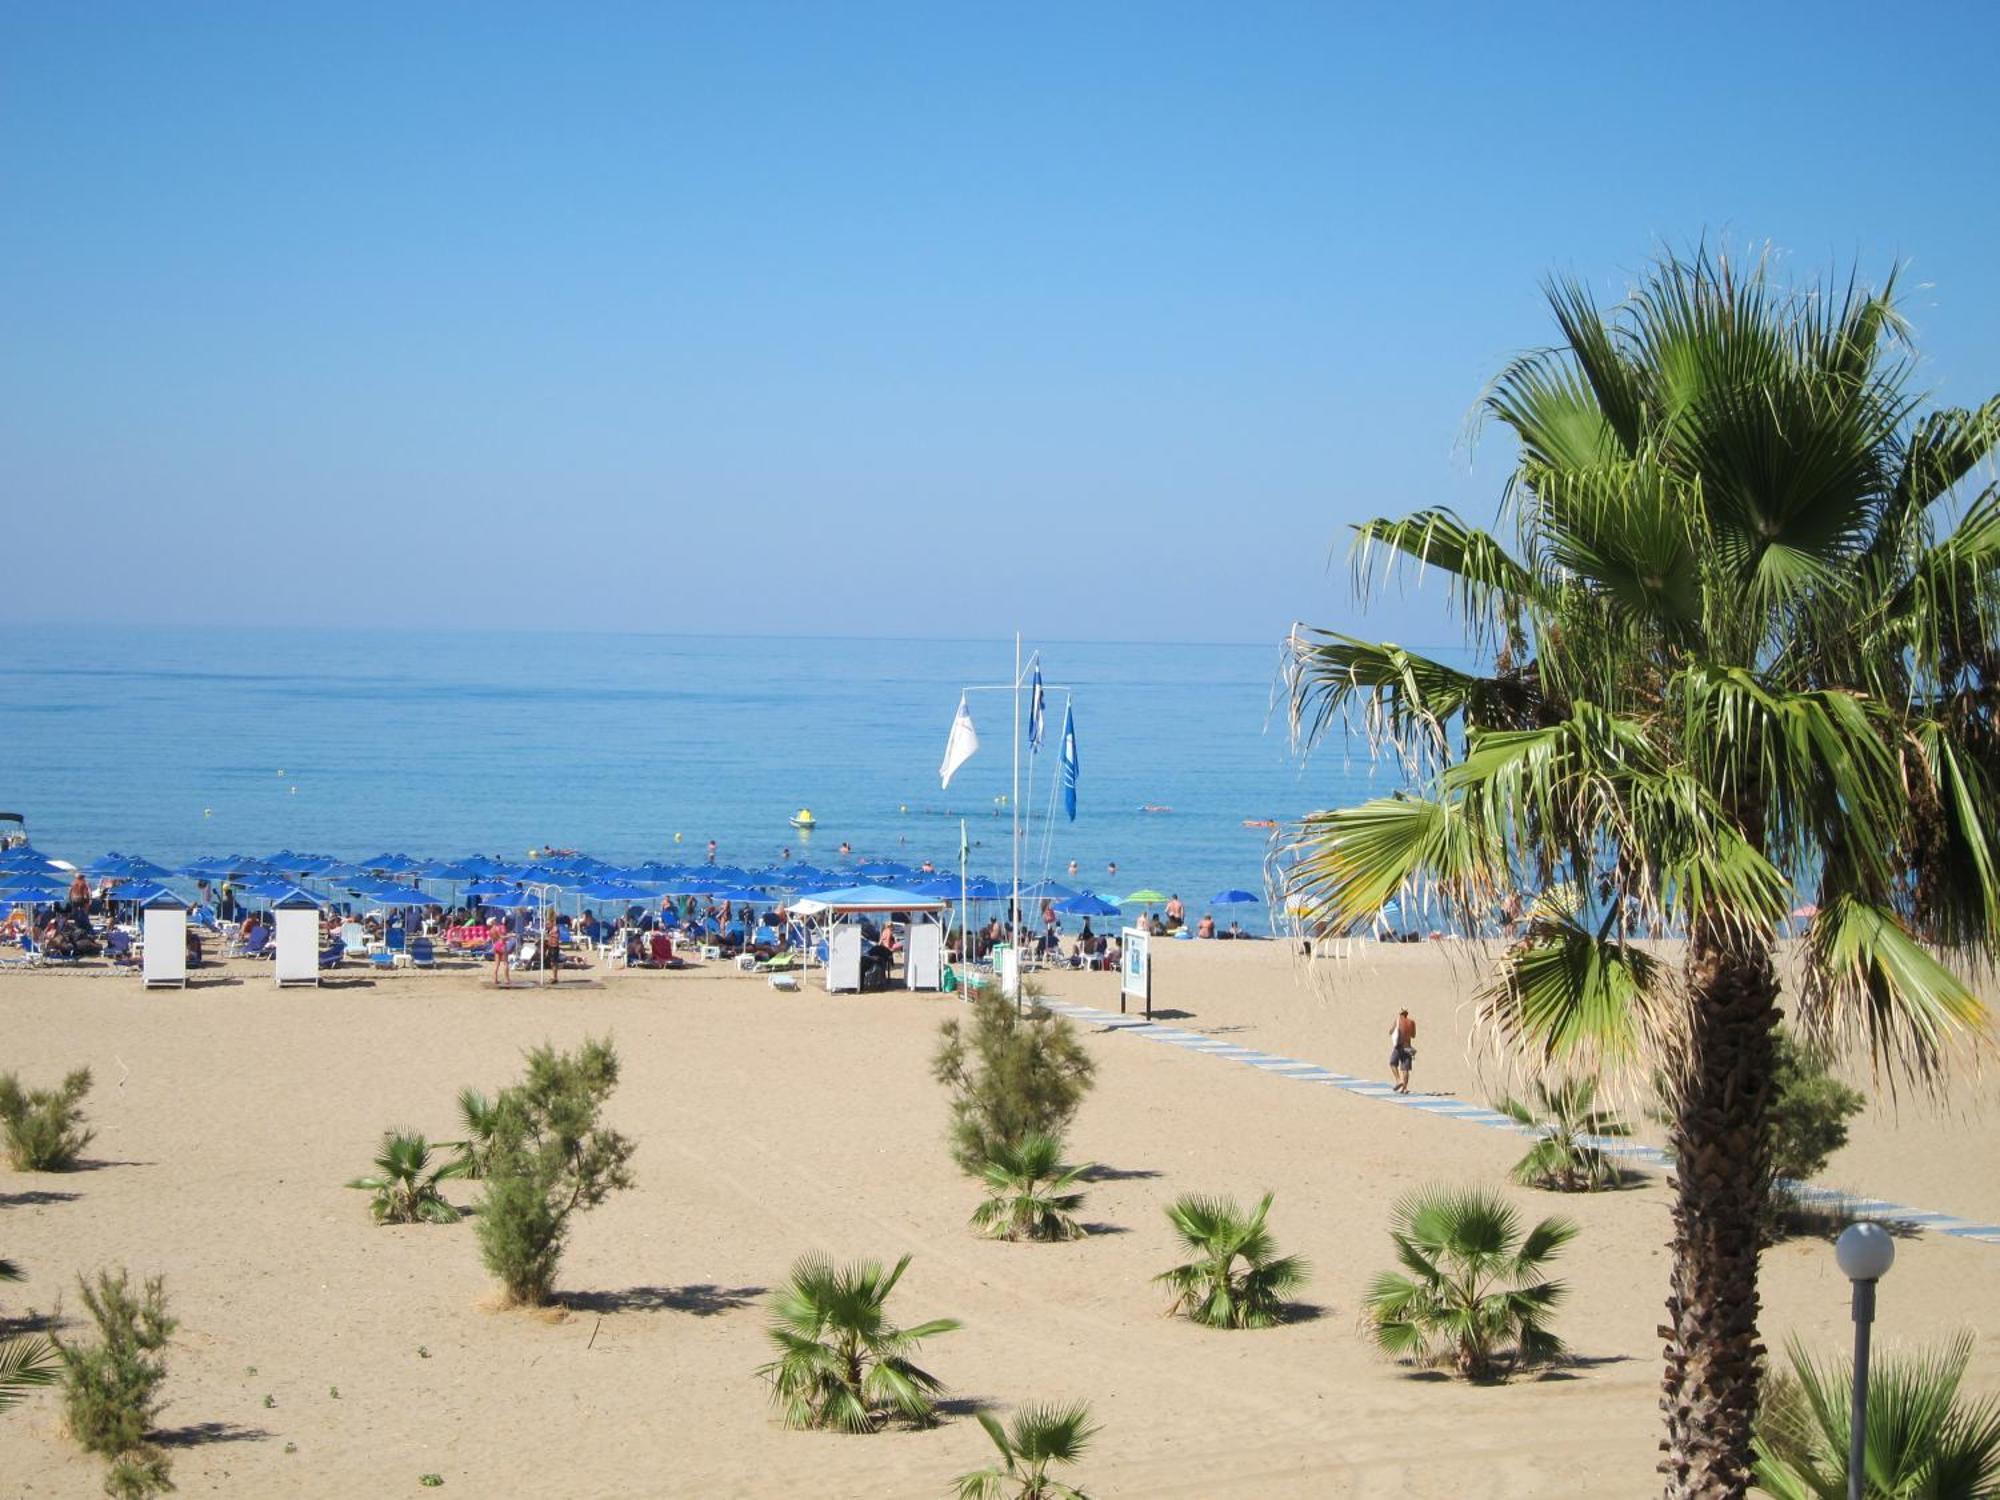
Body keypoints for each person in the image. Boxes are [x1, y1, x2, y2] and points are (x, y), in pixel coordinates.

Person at [1390, 1008, 1418, 1093]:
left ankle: (1399, 1080)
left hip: (1399, 1046)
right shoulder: (1412, 1022)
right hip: (1408, 1047)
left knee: (1392, 1063)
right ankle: (1404, 1088)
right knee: (1405, 1069)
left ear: (1400, 1014)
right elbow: (1413, 1035)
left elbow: (1391, 1032)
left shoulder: (1398, 1020)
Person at [491, 923, 512, 988]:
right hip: (502, 945)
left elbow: (493, 939)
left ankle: (495, 979)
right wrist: (510, 935)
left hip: (496, 945)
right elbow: (502, 937)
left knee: (496, 964)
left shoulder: (492, 929)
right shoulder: (501, 927)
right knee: (505, 963)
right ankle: (507, 979)